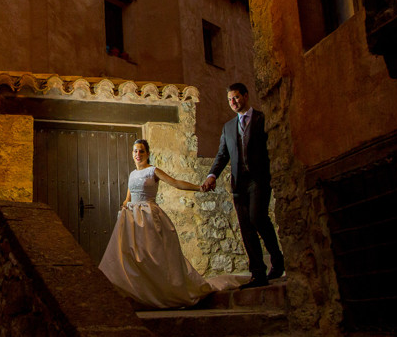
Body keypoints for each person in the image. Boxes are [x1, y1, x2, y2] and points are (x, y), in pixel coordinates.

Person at [99, 139, 240, 308]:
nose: (138, 154)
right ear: (132, 154)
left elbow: (175, 183)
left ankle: (160, 293)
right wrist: (125, 204)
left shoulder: (153, 171)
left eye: (141, 151)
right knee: (130, 259)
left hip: (149, 217)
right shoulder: (131, 174)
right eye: (135, 151)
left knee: (152, 256)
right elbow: (128, 197)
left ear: (148, 154)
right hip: (130, 219)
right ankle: (139, 294)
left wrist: (199, 188)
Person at [201, 82, 285, 289]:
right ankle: (258, 273)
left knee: (258, 217)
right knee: (246, 227)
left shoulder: (262, 120)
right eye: (230, 99)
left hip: (259, 180)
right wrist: (212, 175)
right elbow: (222, 155)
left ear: (246, 96)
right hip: (239, 184)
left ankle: (277, 259)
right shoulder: (228, 127)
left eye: (236, 97)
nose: (233, 102)